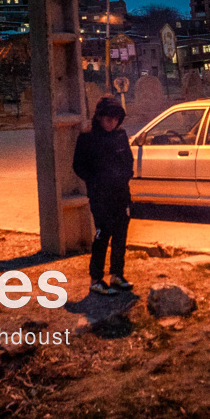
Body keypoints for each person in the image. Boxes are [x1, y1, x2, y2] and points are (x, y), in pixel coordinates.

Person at [73, 96, 134, 296]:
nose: (112, 123)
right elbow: (78, 165)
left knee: (120, 235)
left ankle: (117, 274)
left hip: (120, 194)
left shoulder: (120, 134)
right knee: (102, 235)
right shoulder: (87, 137)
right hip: (100, 197)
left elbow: (128, 160)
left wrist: (126, 176)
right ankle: (96, 279)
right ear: (99, 117)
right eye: (109, 119)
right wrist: (95, 181)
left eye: (116, 119)